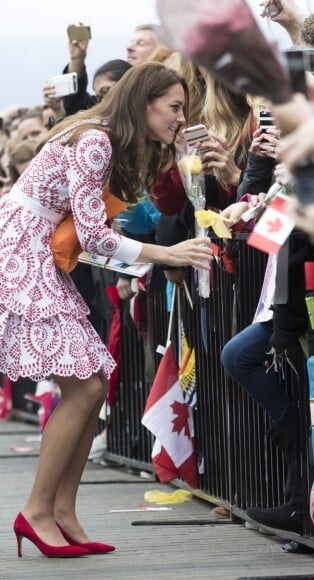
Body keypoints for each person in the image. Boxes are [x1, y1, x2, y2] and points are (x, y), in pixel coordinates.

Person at [2, 62, 213, 558]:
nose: (181, 118)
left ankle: (61, 511)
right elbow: (95, 236)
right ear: (144, 104)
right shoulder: (97, 140)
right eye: (175, 108)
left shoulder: (102, 137)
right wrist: (168, 253)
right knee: (86, 385)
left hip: (32, 253)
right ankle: (36, 511)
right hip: (22, 256)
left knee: (94, 382)